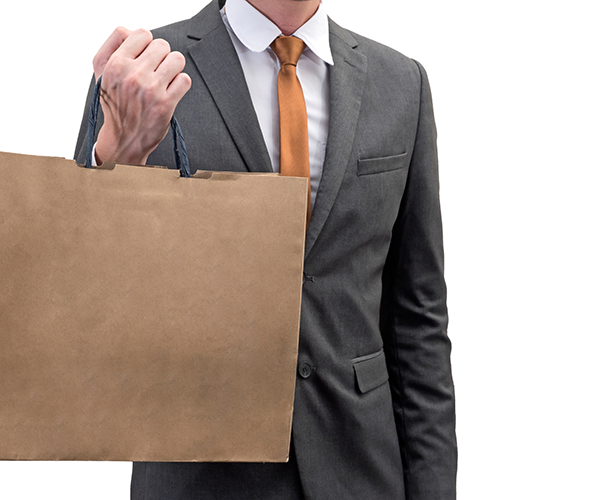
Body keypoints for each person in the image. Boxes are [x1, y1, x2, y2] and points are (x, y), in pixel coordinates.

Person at [74, 0, 457, 498]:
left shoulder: (401, 82)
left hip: (361, 467)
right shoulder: (142, 70)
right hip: (201, 473)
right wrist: (117, 160)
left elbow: (418, 322)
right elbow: (82, 293)